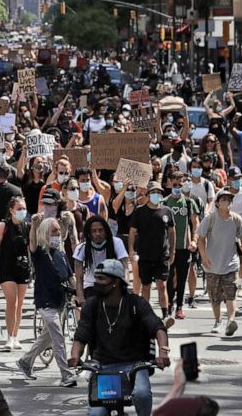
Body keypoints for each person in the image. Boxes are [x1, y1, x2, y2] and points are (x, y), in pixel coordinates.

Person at [69, 258, 170, 416]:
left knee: (142, 395)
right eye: (96, 278)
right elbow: (81, 334)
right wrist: (75, 356)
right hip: (103, 367)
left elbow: (158, 328)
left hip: (135, 366)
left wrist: (163, 353)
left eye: (101, 279)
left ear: (115, 282)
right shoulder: (92, 305)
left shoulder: (136, 303)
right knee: (96, 414)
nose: (97, 282)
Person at [16, 217, 76, 387]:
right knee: (58, 338)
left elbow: (70, 276)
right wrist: (34, 224)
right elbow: (33, 242)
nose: (57, 233)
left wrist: (78, 294)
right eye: (54, 231)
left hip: (60, 302)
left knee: (47, 339)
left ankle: (25, 362)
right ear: (45, 233)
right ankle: (66, 375)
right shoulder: (40, 253)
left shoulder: (62, 254)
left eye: (58, 230)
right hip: (45, 302)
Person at [197, 188, 242, 336]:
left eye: (229, 200)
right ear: (217, 203)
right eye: (224, 199)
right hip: (212, 265)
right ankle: (218, 321)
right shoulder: (210, 219)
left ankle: (231, 321)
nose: (227, 202)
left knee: (231, 294)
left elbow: (241, 240)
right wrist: (204, 257)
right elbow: (201, 239)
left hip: (231, 264)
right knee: (215, 297)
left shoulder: (237, 220)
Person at [128, 181, 176, 323]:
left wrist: (172, 252)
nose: (157, 195)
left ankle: (165, 314)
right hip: (145, 256)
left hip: (162, 256)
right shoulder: (140, 212)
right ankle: (145, 314)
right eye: (154, 192)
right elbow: (132, 232)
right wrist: (131, 249)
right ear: (148, 195)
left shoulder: (167, 211)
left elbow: (172, 233)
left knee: (162, 285)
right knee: (146, 286)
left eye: (159, 192)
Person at [0, 196, 31, 350]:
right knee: (11, 301)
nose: (22, 211)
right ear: (11, 210)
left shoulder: (27, 226)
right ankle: (9, 336)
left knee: (19, 304)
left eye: (24, 208)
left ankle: (15, 335)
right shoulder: (3, 226)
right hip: (6, 268)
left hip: (23, 269)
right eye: (19, 209)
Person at [164, 172, 200, 321]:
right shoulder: (164, 202)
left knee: (182, 277)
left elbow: (196, 223)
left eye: (181, 184)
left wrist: (194, 241)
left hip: (184, 246)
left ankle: (179, 306)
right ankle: (169, 304)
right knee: (169, 277)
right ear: (169, 183)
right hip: (167, 247)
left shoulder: (189, 202)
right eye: (175, 184)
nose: (178, 187)